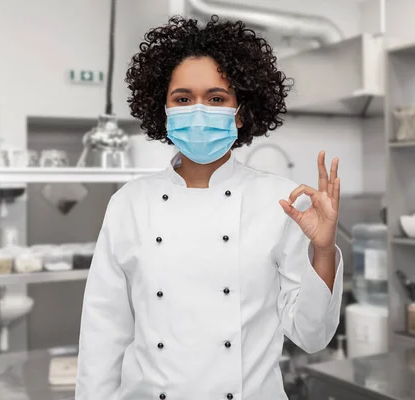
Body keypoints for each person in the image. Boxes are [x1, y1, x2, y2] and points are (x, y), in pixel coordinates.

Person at [75, 15, 343, 400]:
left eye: (216, 98)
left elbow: (313, 336)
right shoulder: (129, 204)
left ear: (240, 110)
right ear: (162, 108)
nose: (198, 111)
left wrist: (322, 251)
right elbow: (102, 337)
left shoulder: (283, 203)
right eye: (182, 99)